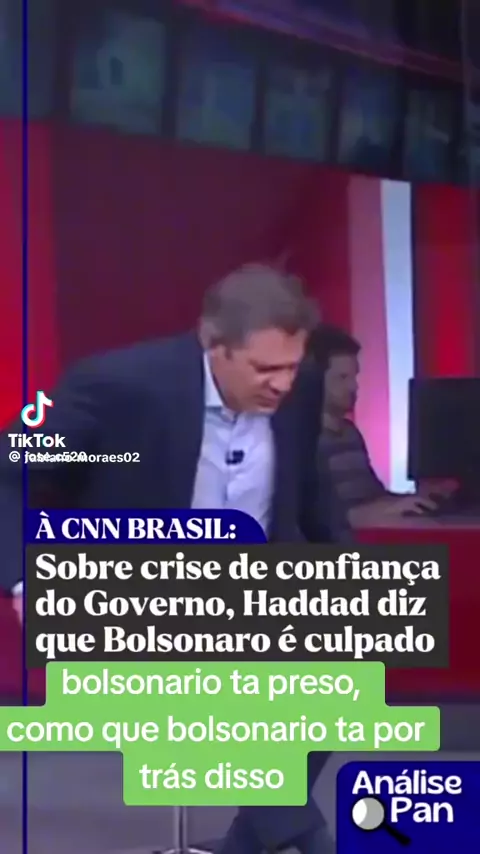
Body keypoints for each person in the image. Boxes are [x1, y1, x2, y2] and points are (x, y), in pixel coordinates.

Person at [0, 264, 340, 853]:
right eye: (264, 368)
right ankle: (303, 832)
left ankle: (252, 840)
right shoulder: (117, 386)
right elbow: (8, 475)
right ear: (214, 345)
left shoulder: (300, 389)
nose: (282, 384)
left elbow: (308, 489)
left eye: (291, 366)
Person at [306, 324, 453, 527]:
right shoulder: (302, 440)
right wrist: (373, 512)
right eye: (342, 378)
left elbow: (375, 498)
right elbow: (316, 517)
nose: (353, 386)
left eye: (355, 376)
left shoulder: (350, 433)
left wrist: (418, 497)